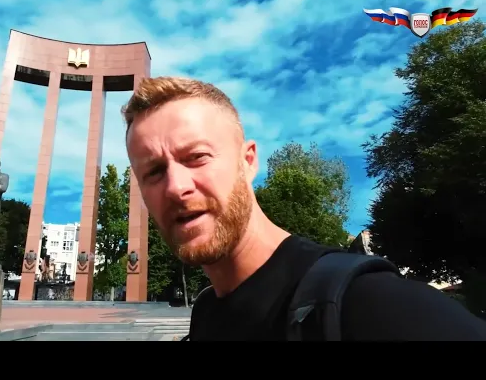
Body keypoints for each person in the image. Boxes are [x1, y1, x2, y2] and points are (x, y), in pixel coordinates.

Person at [122, 76, 486, 341]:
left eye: (196, 157)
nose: (176, 187)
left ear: (247, 162)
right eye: (153, 172)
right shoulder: (206, 316)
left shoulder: (371, 306)